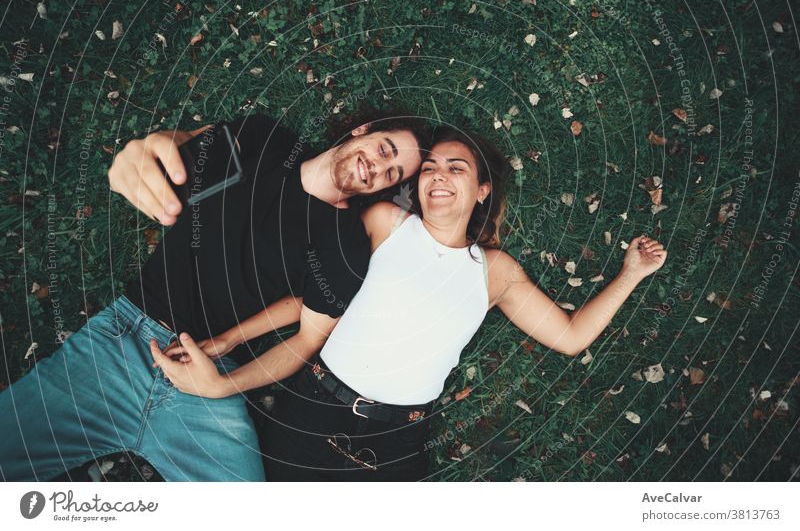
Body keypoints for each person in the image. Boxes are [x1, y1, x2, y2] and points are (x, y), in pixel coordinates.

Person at [150, 126, 668, 481]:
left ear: (482, 190)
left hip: (397, 439)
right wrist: (225, 339)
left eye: (456, 168)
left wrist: (631, 274)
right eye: (430, 167)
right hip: (312, 409)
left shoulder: (498, 273)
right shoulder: (384, 225)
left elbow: (572, 336)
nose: (437, 175)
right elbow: (310, 305)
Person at [0, 109, 429, 482]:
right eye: (385, 149)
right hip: (123, 339)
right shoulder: (267, 139)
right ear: (363, 130)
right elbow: (181, 150)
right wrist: (152, 149)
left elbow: (306, 338)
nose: (377, 167)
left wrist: (221, 383)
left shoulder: (348, 243)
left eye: (391, 174)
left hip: (208, 381)